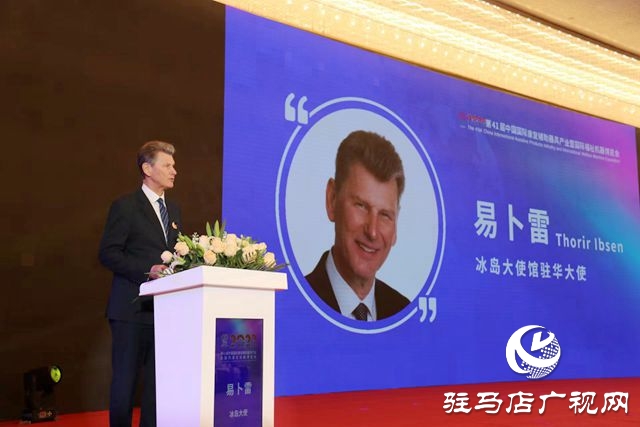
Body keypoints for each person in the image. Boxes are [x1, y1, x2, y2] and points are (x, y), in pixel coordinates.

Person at [98, 140, 181, 427]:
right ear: (147, 168)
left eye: (173, 165)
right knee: (125, 382)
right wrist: (147, 271)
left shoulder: (174, 211)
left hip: (163, 311)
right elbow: (108, 253)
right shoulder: (126, 206)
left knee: (157, 384)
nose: (174, 171)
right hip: (130, 310)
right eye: (167, 165)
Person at [305, 130, 409, 321]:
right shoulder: (292, 303)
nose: (372, 232)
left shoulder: (405, 314)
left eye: (385, 215)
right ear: (332, 199)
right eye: (361, 206)